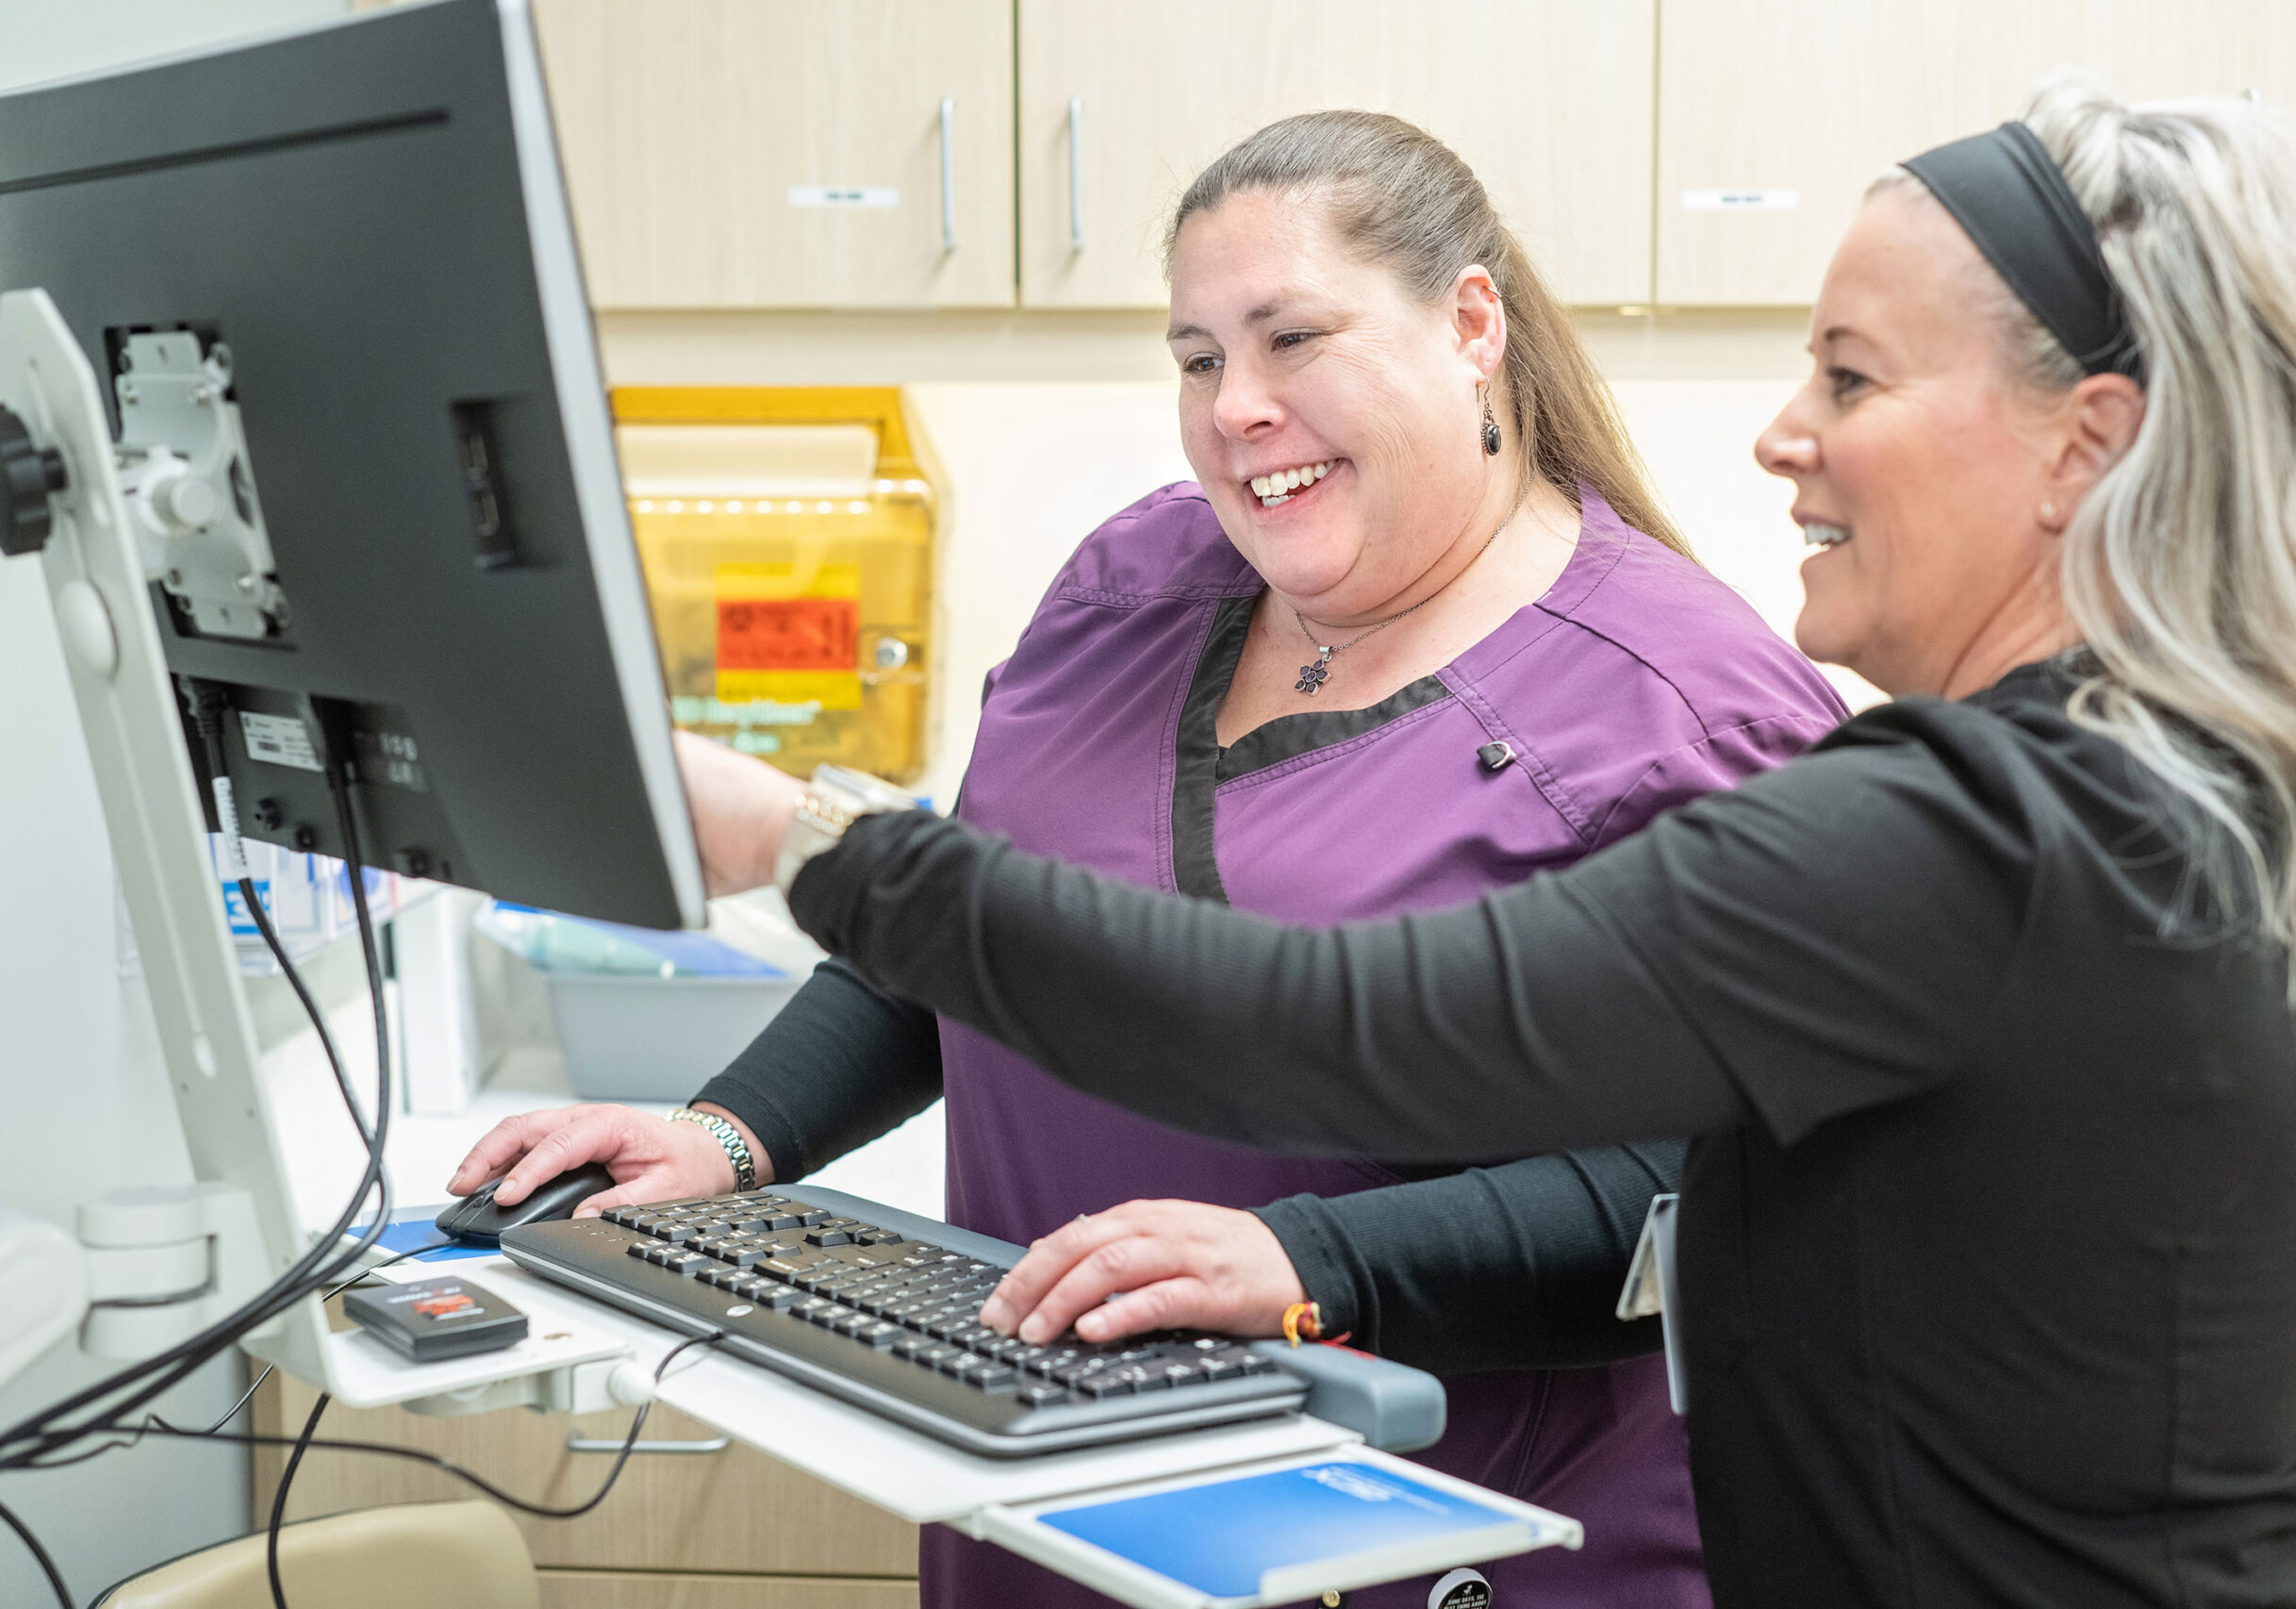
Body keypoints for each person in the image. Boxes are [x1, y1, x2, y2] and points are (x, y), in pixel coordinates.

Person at [688, 84, 2296, 1608]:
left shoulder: (1964, 836)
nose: (1779, 433)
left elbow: (1338, 1030)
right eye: (1200, 357)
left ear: (2080, 446)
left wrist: (796, 835)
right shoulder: (2251, 789)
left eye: (1851, 375)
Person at [454, 112, 1848, 1608]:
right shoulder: (1133, 589)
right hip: (1041, 1494)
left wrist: (1309, 1260)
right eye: (1197, 356)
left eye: (1293, 337)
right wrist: (731, 1136)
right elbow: (961, 945)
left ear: (1469, 324)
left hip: (1438, 1547)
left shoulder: (1682, 708)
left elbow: (1717, 1196)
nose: (1238, 407)